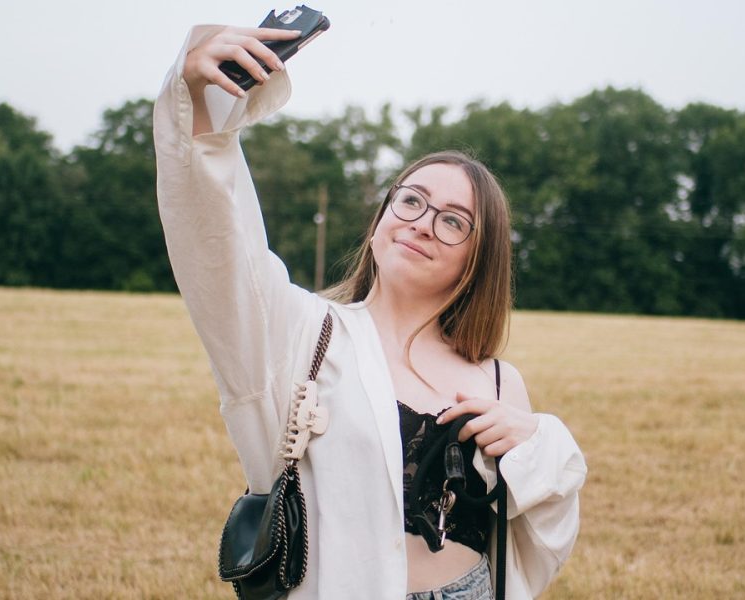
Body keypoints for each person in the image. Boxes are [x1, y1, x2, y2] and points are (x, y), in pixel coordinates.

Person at [155, 24, 587, 600]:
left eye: (453, 220)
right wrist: (205, 113)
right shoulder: (304, 334)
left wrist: (539, 440)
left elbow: (539, 535)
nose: (421, 222)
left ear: (478, 259)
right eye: (410, 200)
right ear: (383, 217)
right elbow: (220, 251)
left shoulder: (502, 381)